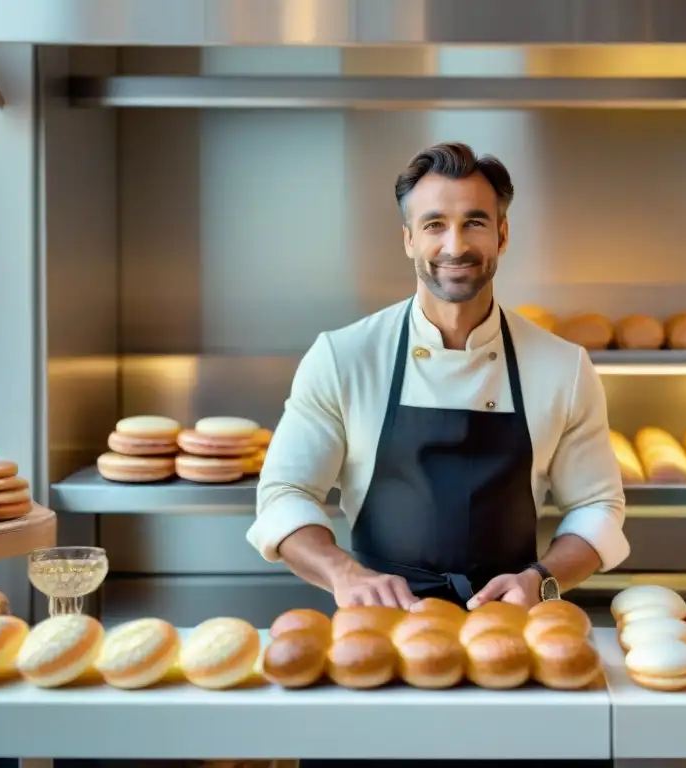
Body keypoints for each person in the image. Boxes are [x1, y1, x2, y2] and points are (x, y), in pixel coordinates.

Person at [248, 141, 629, 611]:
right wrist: (344, 573)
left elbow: (597, 507)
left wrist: (542, 580)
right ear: (409, 239)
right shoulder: (343, 357)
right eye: (434, 225)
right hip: (378, 622)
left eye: (475, 222)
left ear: (502, 235)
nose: (456, 246)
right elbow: (286, 493)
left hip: (509, 623)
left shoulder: (562, 368)